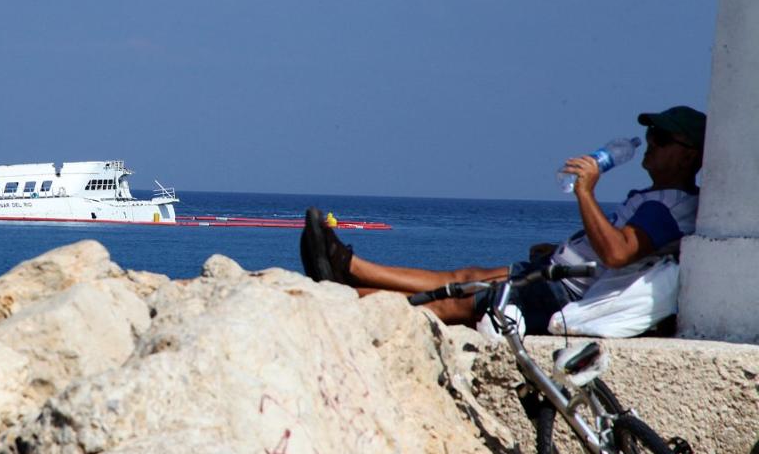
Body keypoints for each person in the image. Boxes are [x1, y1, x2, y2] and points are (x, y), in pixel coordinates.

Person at [300, 106, 706, 333]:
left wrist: (585, 191)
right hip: (561, 272)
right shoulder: (659, 199)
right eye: (651, 137)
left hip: (565, 292)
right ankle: (349, 268)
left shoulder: (669, 205)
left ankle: (340, 300)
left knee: (457, 303)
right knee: (468, 273)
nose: (650, 145)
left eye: (662, 140)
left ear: (690, 155)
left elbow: (618, 253)